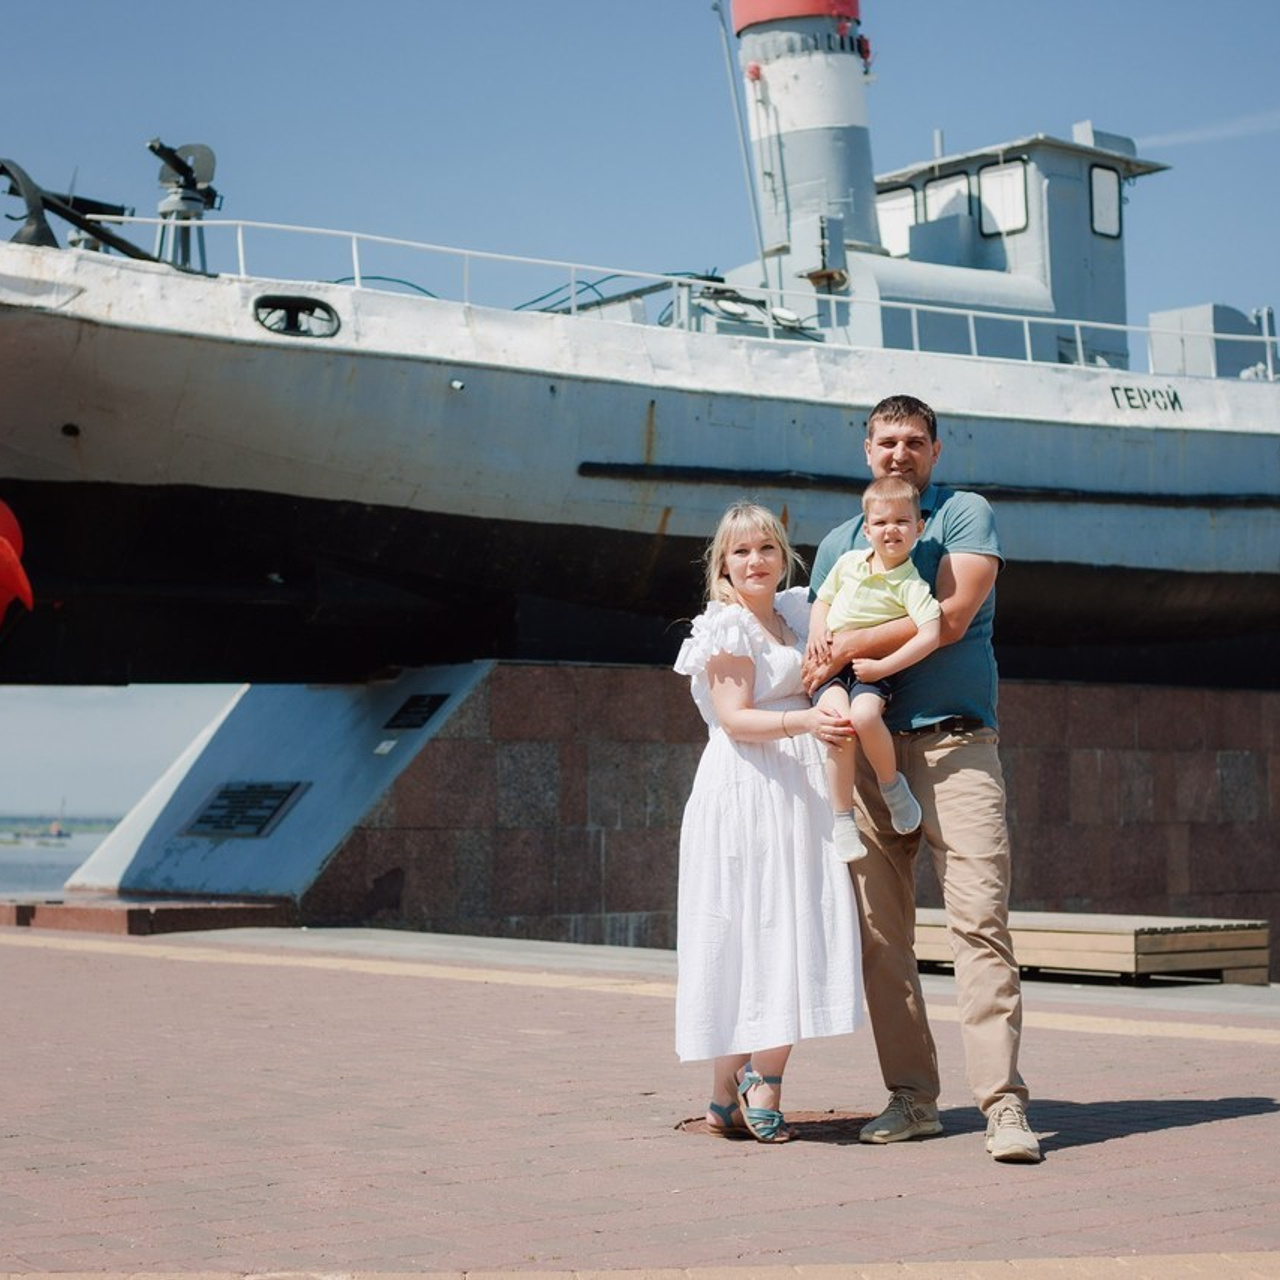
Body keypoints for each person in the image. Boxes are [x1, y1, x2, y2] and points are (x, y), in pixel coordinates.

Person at [804, 393, 1041, 1164]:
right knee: (881, 938)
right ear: (865, 451)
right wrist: (830, 675)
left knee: (979, 923)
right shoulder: (841, 538)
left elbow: (956, 612)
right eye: (885, 442)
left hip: (955, 749)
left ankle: (1003, 1107)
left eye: (913, 441)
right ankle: (912, 1099)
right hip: (866, 759)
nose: (898, 453)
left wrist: (851, 644)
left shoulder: (963, 514)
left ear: (935, 451)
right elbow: (816, 652)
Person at [674, 500, 862, 1143]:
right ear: (722, 563)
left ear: (784, 556)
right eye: (741, 551)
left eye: (767, 549)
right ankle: (756, 1081)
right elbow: (734, 718)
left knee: (792, 924)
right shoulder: (725, 627)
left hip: (798, 786)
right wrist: (806, 719)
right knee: (752, 927)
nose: (756, 561)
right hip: (747, 788)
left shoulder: (797, 611)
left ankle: (732, 1091)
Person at [807, 476, 941, 860]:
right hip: (832, 664)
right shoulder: (849, 562)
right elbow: (822, 602)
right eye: (881, 523)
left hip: (872, 666)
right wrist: (818, 632)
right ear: (866, 530)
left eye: (902, 521)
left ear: (919, 528)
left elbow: (929, 635)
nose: (891, 530)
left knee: (865, 716)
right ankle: (842, 817)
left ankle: (891, 785)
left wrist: (883, 665)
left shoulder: (911, 584)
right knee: (837, 724)